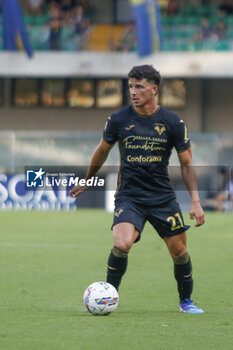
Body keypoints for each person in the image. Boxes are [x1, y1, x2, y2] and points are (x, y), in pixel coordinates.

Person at [70, 65, 205, 313]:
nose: (132, 91)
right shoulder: (119, 119)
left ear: (154, 90)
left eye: (139, 87)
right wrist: (87, 179)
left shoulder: (173, 123)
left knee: (179, 251)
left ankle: (186, 302)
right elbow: (102, 150)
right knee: (122, 243)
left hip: (162, 198)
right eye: (130, 86)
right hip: (129, 196)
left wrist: (195, 201)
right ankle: (107, 297)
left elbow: (187, 164)